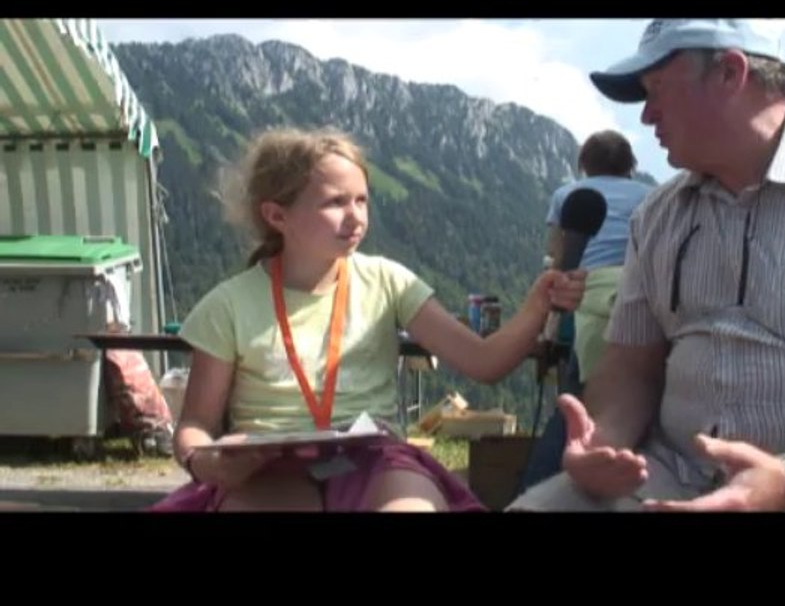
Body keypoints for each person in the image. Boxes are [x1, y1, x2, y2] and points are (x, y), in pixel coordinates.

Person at [509, 18, 785, 512]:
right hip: (672, 476)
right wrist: (603, 445)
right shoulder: (656, 216)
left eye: (656, 89)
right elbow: (630, 367)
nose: (646, 116)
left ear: (730, 71)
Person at [150, 127, 584, 512]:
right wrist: (204, 460)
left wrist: (536, 305)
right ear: (277, 216)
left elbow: (484, 362)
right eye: (335, 202)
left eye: (361, 199)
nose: (356, 216)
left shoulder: (389, 281)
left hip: (376, 457)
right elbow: (196, 425)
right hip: (266, 468)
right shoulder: (228, 304)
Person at [520, 130, 653, 490]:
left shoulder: (568, 195)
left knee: (573, 405)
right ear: (630, 165)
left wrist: (547, 327)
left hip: (582, 298)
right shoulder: (651, 195)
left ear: (584, 164)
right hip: (638, 302)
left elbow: (559, 261)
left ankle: (539, 489)